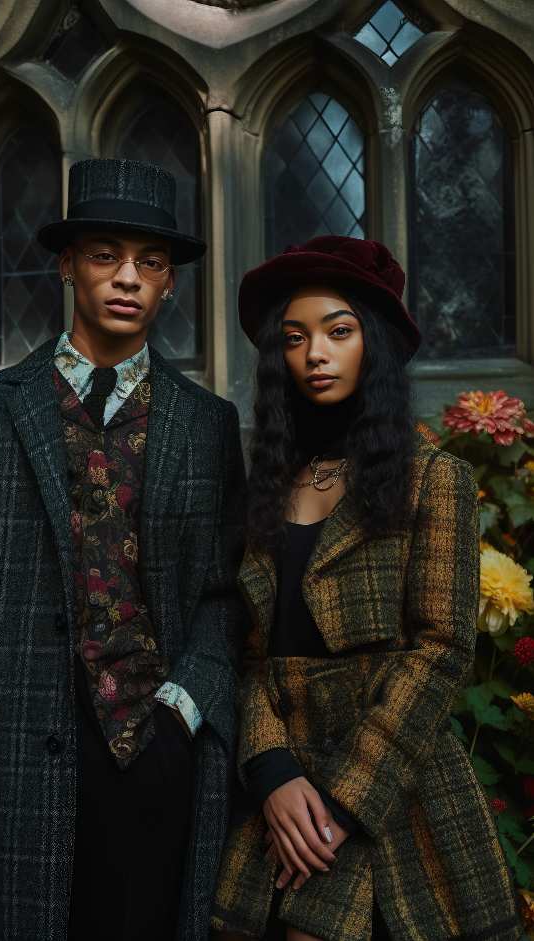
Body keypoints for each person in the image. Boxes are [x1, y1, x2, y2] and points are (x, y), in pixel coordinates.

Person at [0, 158, 246, 941]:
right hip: (9, 760)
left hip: (158, 754)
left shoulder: (208, 424)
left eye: (150, 262)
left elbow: (224, 596)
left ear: (168, 284)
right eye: (104, 254)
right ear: (65, 265)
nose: (127, 277)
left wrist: (181, 711)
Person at [211, 237, 521, 940]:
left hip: (386, 777)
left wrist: (342, 800)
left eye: (337, 331)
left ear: (371, 342)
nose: (314, 353)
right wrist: (270, 767)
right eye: (294, 338)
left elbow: (441, 650)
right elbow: (241, 650)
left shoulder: (433, 479)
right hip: (280, 779)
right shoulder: (260, 489)